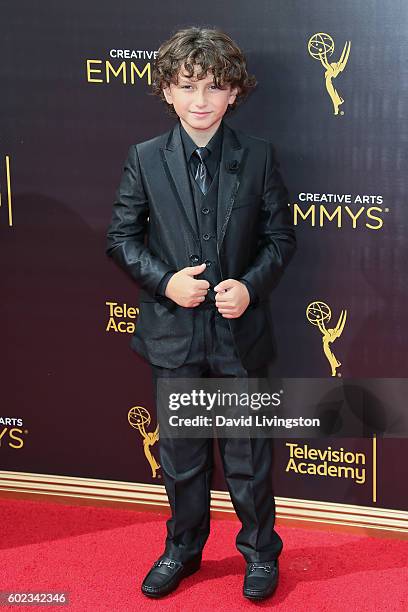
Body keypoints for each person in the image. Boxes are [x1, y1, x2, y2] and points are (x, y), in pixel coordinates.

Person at [106, 26, 296, 601]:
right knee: (182, 459)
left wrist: (251, 288)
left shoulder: (259, 156)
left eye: (214, 87)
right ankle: (183, 550)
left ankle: (260, 554)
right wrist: (166, 282)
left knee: (248, 458)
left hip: (239, 339)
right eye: (188, 86)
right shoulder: (143, 158)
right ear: (167, 89)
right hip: (175, 339)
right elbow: (120, 238)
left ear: (234, 92)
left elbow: (280, 239)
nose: (200, 100)